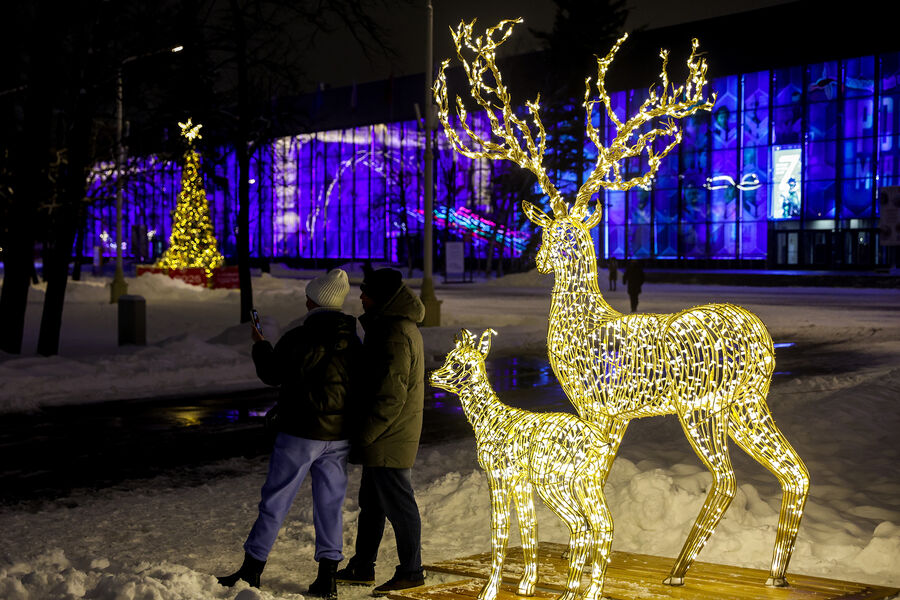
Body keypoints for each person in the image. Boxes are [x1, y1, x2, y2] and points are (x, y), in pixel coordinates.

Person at [217, 268, 362, 597]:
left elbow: (272, 372)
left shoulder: (301, 337)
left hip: (301, 432)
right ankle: (327, 578)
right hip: (339, 434)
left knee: (276, 500)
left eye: (308, 295)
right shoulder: (354, 341)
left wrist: (260, 345)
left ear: (313, 301)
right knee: (330, 505)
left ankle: (252, 570)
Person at [335, 268, 427, 596]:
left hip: (389, 435)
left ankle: (412, 571)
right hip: (386, 434)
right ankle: (363, 565)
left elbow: (391, 394)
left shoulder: (394, 332)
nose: (361, 297)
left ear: (383, 297)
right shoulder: (388, 327)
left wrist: (366, 433)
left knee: (399, 505)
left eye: (367, 293)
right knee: (372, 504)